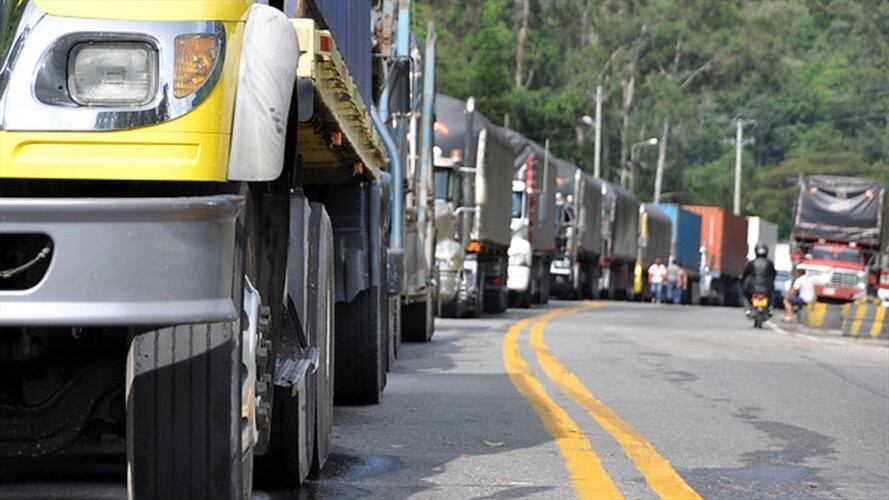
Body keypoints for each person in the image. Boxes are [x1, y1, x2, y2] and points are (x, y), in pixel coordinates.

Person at [741, 242, 776, 316]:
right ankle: (770, 308)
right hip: (767, 288)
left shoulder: (752, 263)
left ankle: (747, 309)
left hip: (752, 288)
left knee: (744, 294)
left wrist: (742, 280)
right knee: (772, 295)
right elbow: (773, 274)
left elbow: (745, 274)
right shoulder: (769, 263)